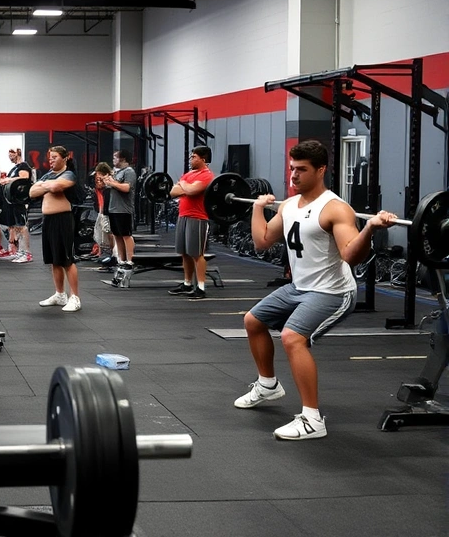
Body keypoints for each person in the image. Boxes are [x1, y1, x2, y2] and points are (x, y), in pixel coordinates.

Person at [235, 139, 396, 440]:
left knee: (293, 338)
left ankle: (312, 419)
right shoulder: (288, 205)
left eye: (302, 170)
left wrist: (370, 228)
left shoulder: (335, 209)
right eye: (292, 169)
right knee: (252, 321)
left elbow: (351, 255)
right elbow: (262, 242)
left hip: (333, 292)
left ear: (320, 170)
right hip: (299, 287)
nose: (294, 176)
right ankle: (268, 385)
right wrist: (258, 208)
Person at [29, 146, 81, 312]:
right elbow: (31, 192)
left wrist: (44, 185)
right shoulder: (47, 175)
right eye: (50, 157)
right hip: (49, 220)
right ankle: (60, 295)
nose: (51, 160)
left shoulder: (69, 174)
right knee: (54, 260)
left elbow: (57, 187)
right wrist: (47, 184)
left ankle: (75, 297)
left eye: (55, 157)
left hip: (63, 220)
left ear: (65, 158)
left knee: (67, 260)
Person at [168, 145, 215, 299]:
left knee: (197, 253)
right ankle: (187, 284)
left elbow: (192, 191)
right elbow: (172, 192)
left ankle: (200, 287)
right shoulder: (189, 174)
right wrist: (185, 187)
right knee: (184, 253)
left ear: (203, 159)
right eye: (191, 156)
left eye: (194, 156)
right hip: (183, 215)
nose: (191, 159)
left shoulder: (207, 175)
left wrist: (183, 185)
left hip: (198, 217)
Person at [103, 150, 137, 287]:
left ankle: (129, 260)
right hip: (113, 208)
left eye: (115, 157)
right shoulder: (116, 172)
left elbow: (126, 188)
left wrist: (112, 183)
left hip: (124, 209)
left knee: (126, 235)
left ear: (122, 158)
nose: (113, 159)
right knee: (117, 235)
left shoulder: (129, 172)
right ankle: (121, 259)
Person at [0, 148, 32, 263]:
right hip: (13, 201)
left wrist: (9, 180)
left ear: (17, 153)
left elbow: (24, 178)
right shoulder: (15, 168)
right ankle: (19, 252)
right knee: (16, 226)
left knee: (22, 227)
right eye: (8, 154)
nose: (9, 156)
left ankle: (26, 254)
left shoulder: (23, 166)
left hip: (20, 201)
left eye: (11, 154)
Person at [92, 162, 117, 272]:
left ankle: (112, 258)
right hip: (104, 211)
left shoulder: (110, 185)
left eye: (99, 177)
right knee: (102, 235)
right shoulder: (103, 188)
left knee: (109, 234)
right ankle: (107, 258)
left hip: (109, 212)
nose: (98, 180)